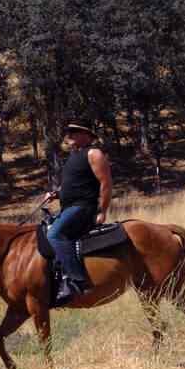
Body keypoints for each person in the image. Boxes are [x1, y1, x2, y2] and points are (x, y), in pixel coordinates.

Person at [44, 123, 112, 306]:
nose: (69, 135)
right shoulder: (74, 156)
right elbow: (72, 185)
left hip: (83, 207)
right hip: (69, 208)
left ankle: (77, 281)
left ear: (87, 135)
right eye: (68, 132)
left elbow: (106, 184)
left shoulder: (94, 153)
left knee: (54, 234)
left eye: (74, 132)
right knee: (44, 230)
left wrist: (102, 211)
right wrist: (56, 194)